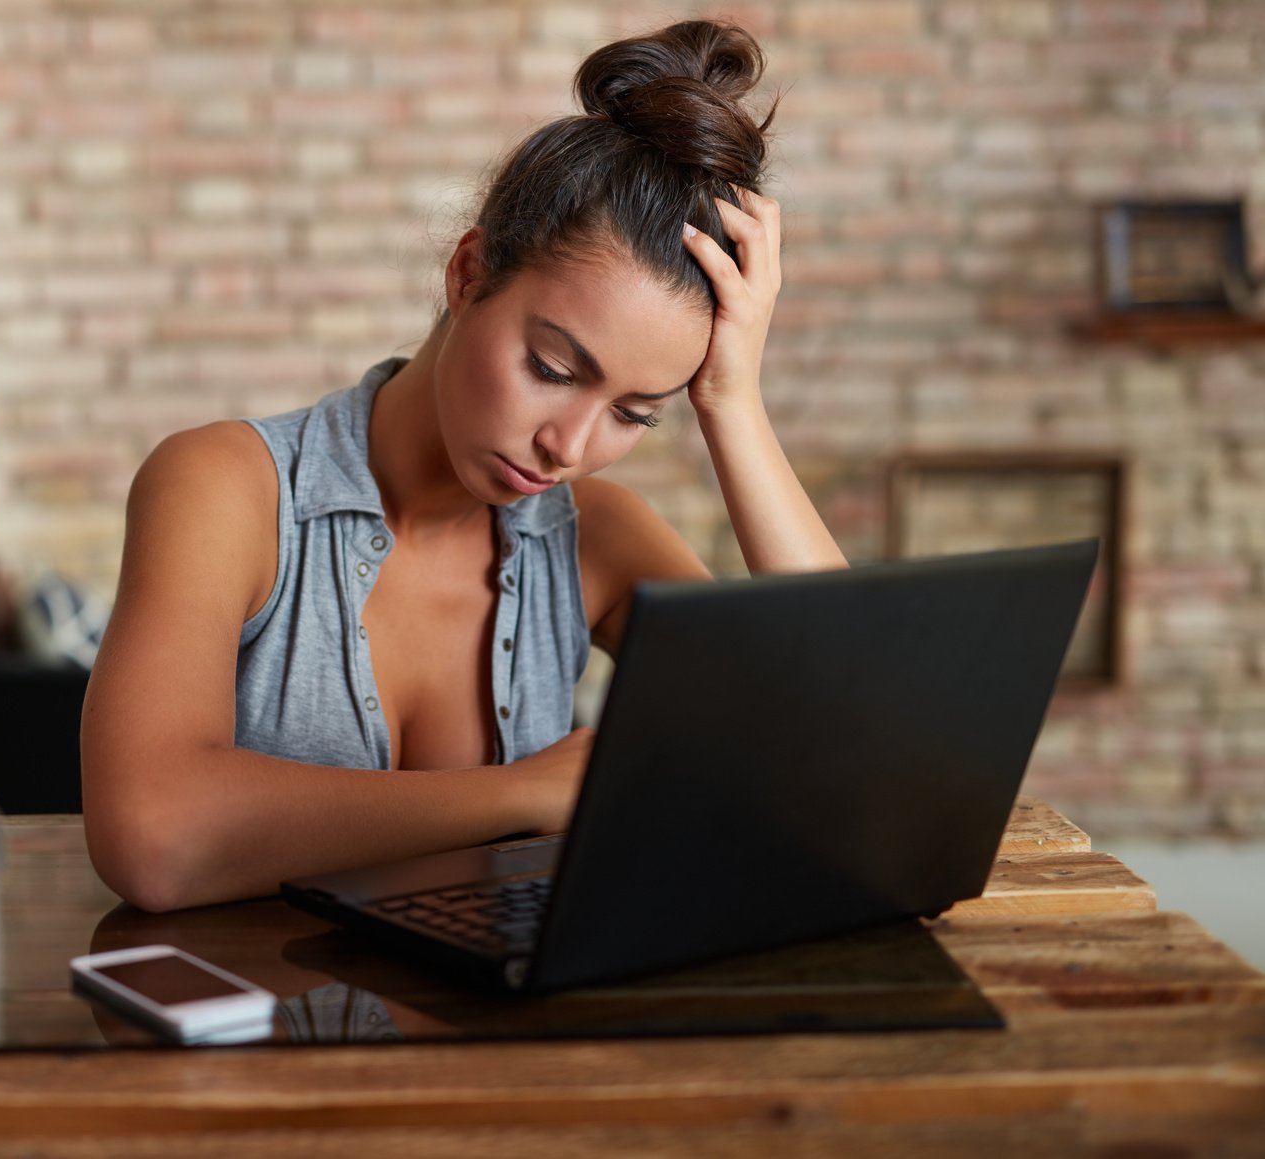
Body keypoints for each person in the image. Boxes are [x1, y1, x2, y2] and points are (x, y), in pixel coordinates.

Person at [81, 18, 848, 912]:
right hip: (252, 1037)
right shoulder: (227, 490)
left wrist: (733, 403)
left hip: (516, 1038)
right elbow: (150, 837)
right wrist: (526, 791)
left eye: (635, 414)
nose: (569, 445)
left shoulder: (595, 539)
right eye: (553, 370)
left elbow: (837, 740)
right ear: (469, 271)